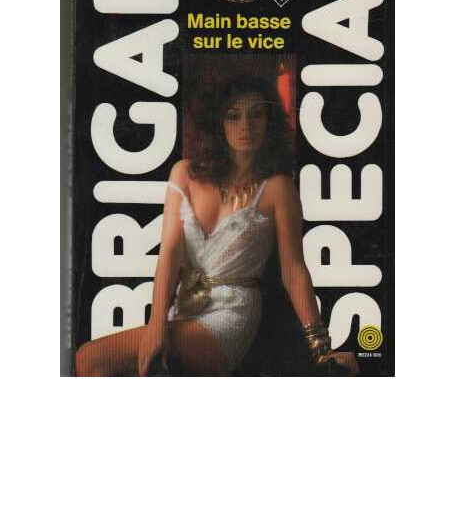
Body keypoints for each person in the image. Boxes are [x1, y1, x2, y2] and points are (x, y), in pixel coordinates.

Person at [76, 74, 359, 376]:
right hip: (183, 309)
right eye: (233, 116)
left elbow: (293, 270)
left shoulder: (278, 188)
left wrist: (321, 348)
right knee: (95, 365)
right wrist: (156, 324)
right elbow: (169, 253)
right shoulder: (184, 173)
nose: (245, 126)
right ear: (218, 122)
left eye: (256, 114)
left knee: (89, 357)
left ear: (269, 121)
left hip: (233, 314)